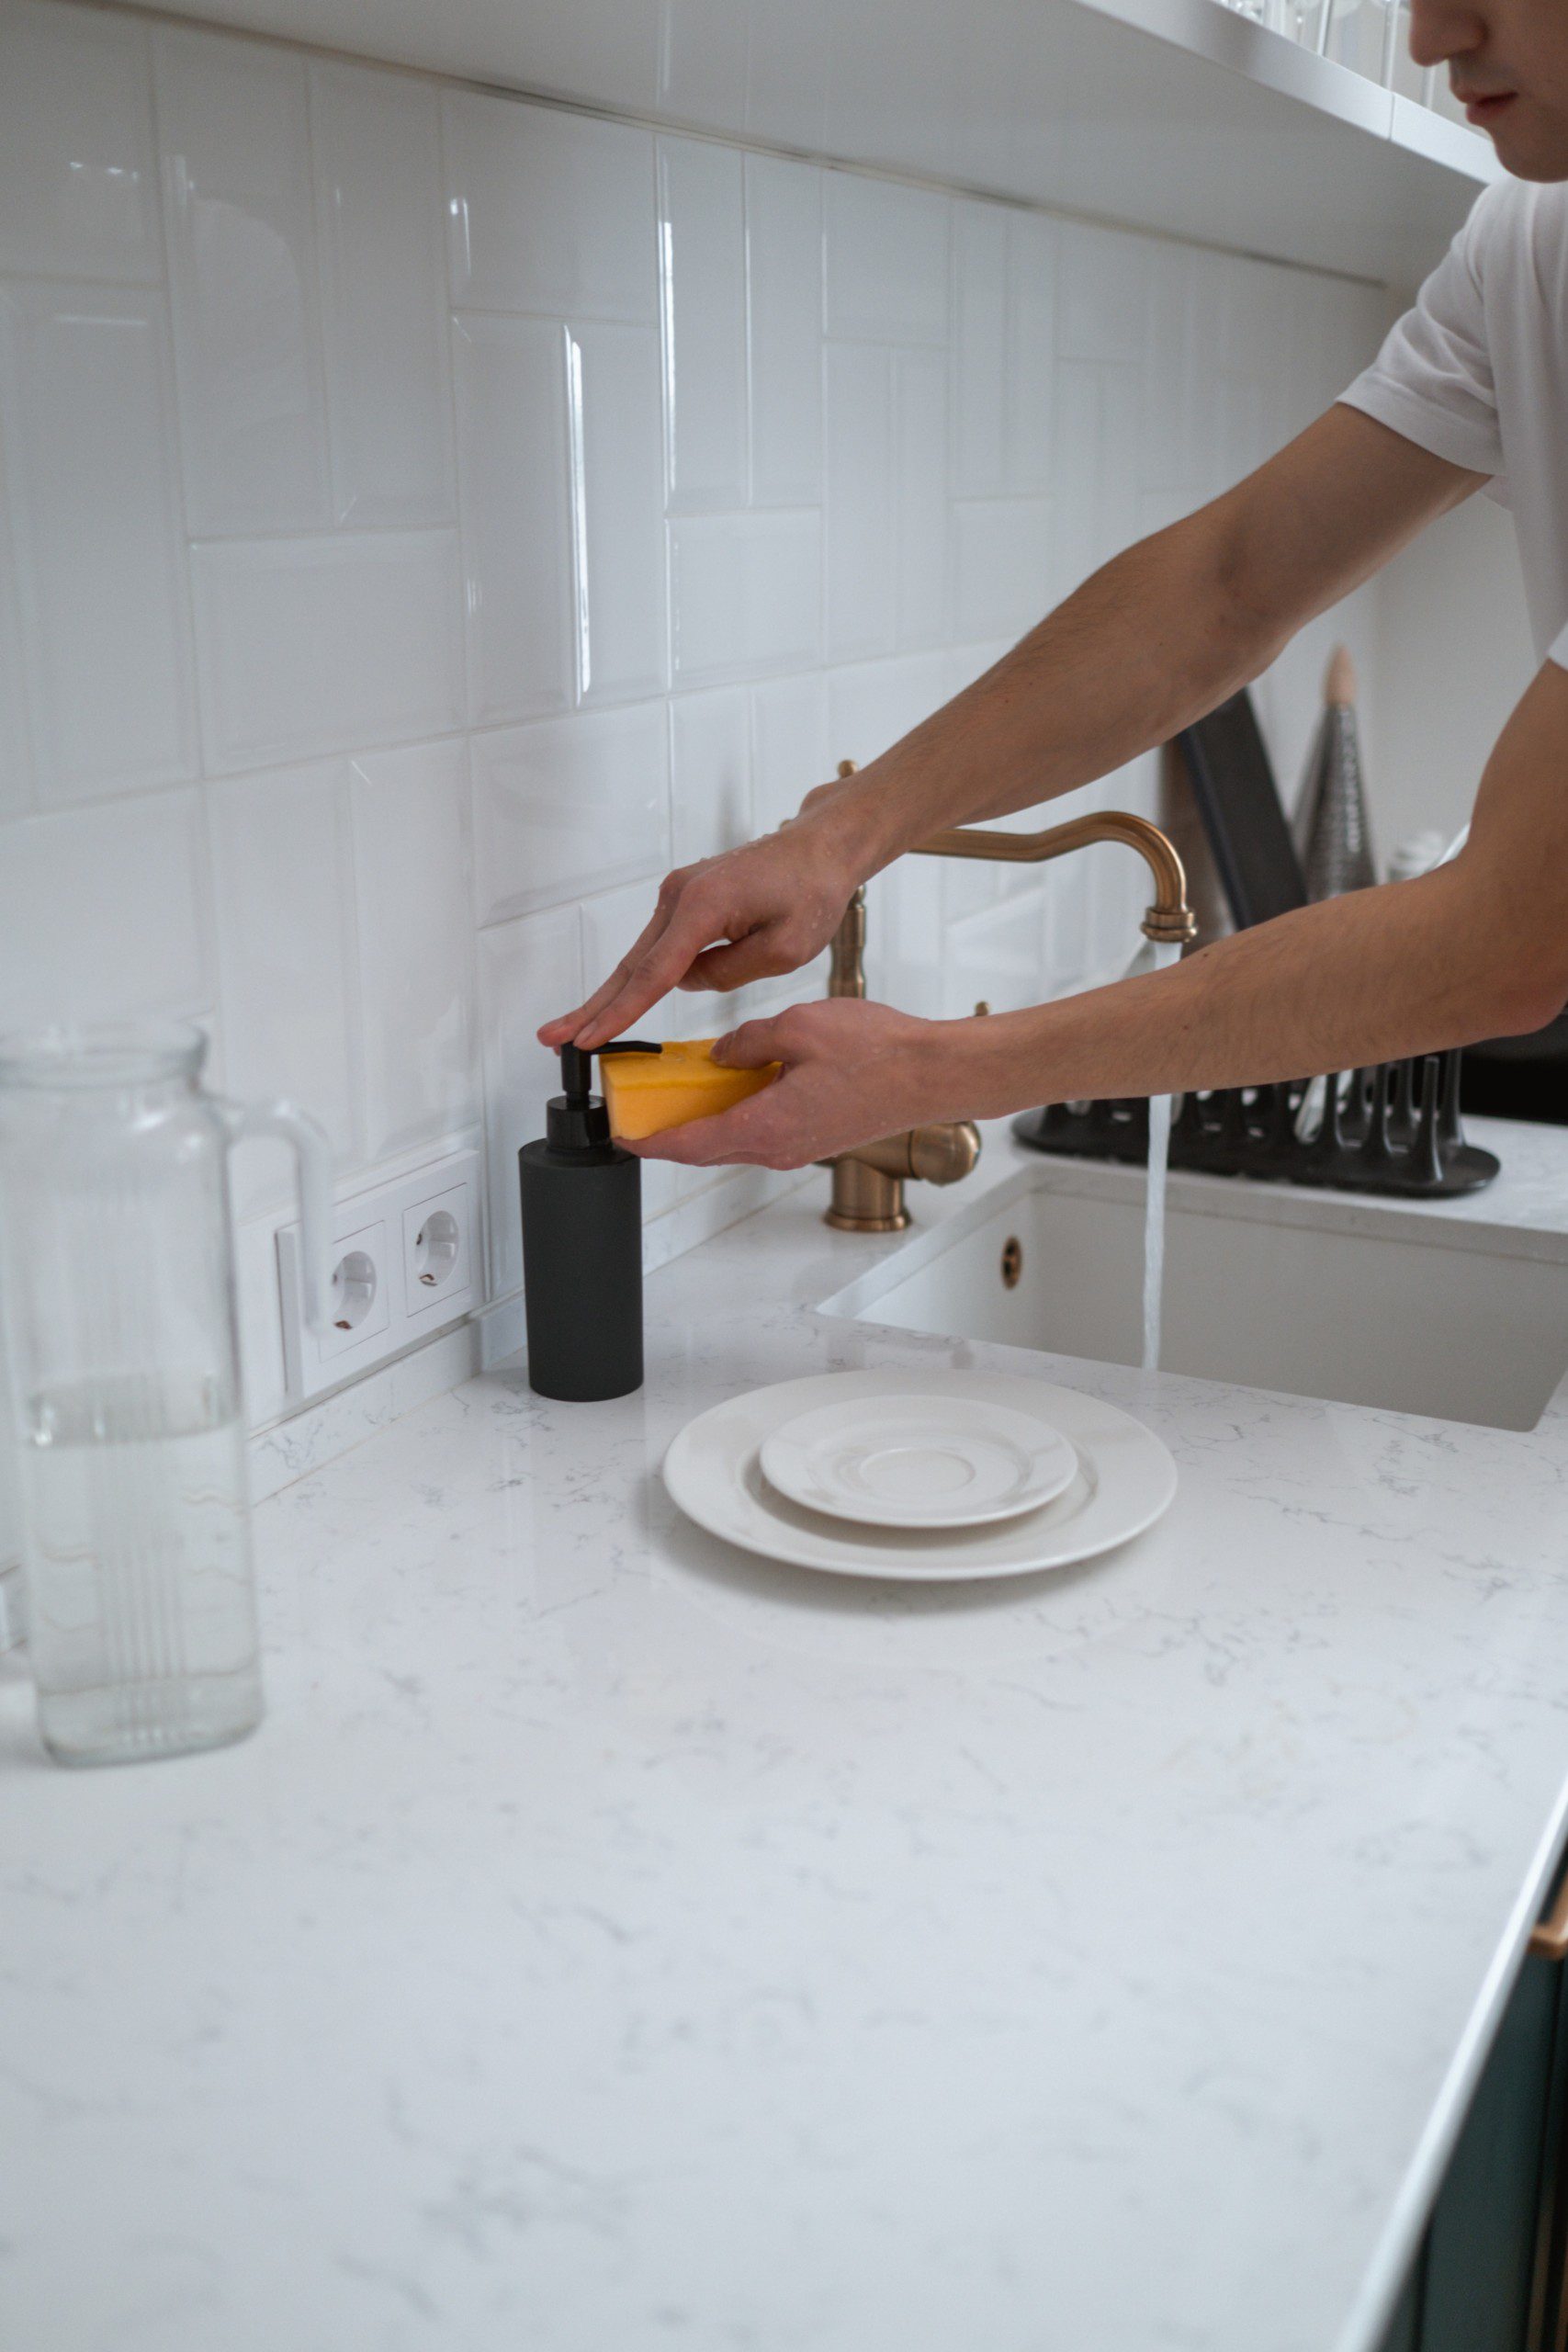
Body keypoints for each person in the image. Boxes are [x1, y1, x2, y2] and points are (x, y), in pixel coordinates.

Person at [544, 0, 1568, 1175]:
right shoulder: (1530, 243)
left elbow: (1508, 938)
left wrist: (937, 1070)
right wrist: (839, 837)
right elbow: (1228, 588)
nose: (1430, 38)